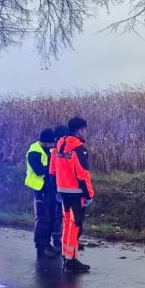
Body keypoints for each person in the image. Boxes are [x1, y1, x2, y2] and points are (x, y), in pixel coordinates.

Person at [50, 117, 94, 274]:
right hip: (76, 193)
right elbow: (83, 174)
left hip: (63, 192)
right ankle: (71, 261)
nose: (85, 133)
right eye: (84, 130)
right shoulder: (78, 149)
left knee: (67, 224)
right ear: (80, 130)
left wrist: (58, 188)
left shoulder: (59, 146)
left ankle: (66, 256)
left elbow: (52, 171)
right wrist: (89, 194)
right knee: (75, 226)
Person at [25, 128, 60, 258]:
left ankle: (47, 244)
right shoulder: (34, 152)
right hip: (40, 189)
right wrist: (53, 165)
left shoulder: (48, 150)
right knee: (43, 219)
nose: (52, 146)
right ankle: (41, 246)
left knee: (51, 218)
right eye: (50, 143)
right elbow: (39, 170)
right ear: (43, 141)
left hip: (49, 189)